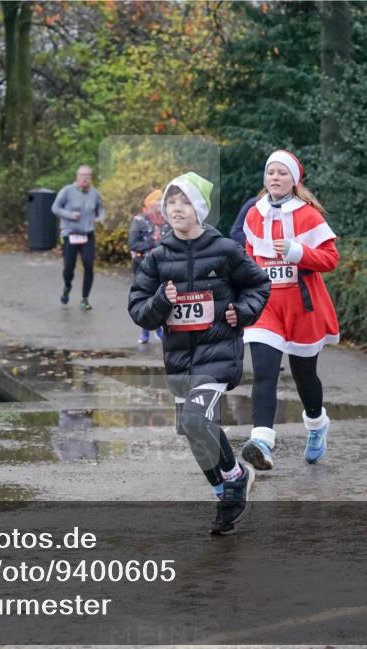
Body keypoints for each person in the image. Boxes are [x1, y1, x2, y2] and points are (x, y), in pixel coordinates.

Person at [128, 172, 271, 535]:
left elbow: (258, 285)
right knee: (192, 431)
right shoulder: (158, 257)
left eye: (185, 202)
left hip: (218, 351)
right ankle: (223, 493)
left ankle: (236, 477)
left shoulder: (225, 250)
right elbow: (139, 309)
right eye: (171, 202)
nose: (177, 209)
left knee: (195, 420)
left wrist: (242, 312)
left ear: (200, 209)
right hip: (180, 358)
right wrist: (161, 302)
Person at [240, 150, 340, 471]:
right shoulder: (254, 214)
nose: (275, 178)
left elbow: (331, 259)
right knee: (264, 372)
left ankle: (316, 424)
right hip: (267, 307)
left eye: (282, 173)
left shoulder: (308, 216)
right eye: (270, 172)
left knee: (304, 375)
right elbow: (249, 259)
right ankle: (261, 442)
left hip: (302, 307)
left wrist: (298, 252)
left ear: (293, 181)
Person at [52, 165, 105, 311]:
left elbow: (101, 209)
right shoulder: (67, 191)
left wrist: (100, 218)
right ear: (77, 176)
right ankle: (67, 286)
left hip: (87, 234)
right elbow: (55, 208)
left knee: (88, 264)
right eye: (82, 175)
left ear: (91, 178)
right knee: (69, 267)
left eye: (87, 175)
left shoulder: (95, 194)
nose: (85, 178)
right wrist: (70, 215)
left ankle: (85, 299)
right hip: (69, 234)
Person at [128, 188, 166, 343]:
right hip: (142, 264)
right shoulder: (139, 220)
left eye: (161, 201)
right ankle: (146, 332)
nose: (159, 204)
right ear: (149, 204)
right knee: (145, 298)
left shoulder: (167, 219)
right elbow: (133, 244)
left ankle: (159, 328)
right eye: (157, 201)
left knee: (160, 296)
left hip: (161, 264)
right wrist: (152, 243)